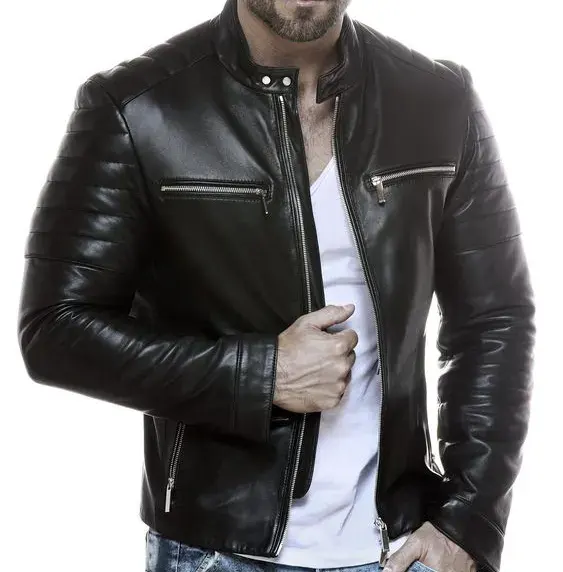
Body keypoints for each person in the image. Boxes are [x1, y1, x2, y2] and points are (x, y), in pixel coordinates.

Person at [17, 0, 535, 571]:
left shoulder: (438, 98)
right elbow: (55, 329)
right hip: (216, 551)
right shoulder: (136, 107)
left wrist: (470, 518)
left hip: (400, 547)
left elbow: (495, 318)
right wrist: (260, 374)